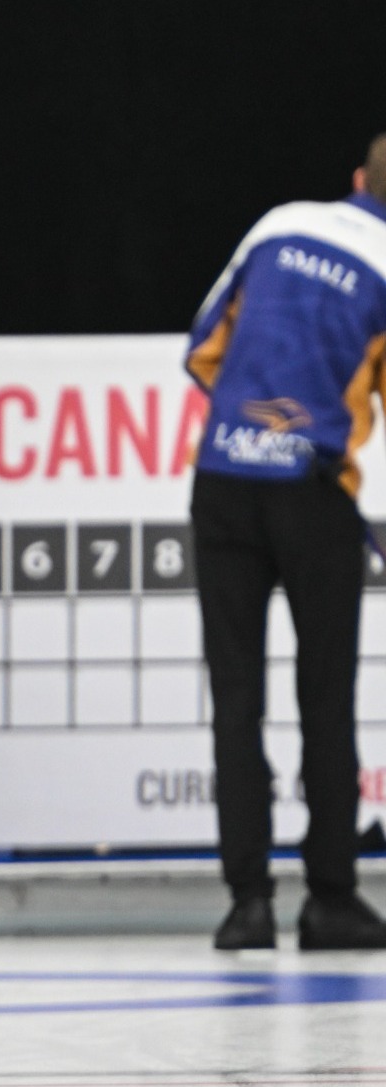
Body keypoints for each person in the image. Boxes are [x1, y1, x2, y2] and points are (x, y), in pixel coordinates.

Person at [186, 134, 386, 952]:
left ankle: (247, 905)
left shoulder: (278, 223)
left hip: (224, 481)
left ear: (355, 180)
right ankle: (331, 898)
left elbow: (202, 350)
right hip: (313, 490)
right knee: (324, 694)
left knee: (236, 700)